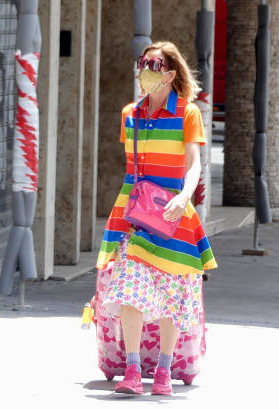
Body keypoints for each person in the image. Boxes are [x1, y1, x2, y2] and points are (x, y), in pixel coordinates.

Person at [95, 41, 217, 396]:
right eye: (143, 63)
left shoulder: (188, 113)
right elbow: (133, 171)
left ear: (170, 73)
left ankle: (163, 373)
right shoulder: (129, 114)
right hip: (134, 214)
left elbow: (194, 164)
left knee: (172, 293)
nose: (146, 70)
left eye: (154, 64)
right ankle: (132, 370)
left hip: (173, 213)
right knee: (130, 288)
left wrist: (184, 196)